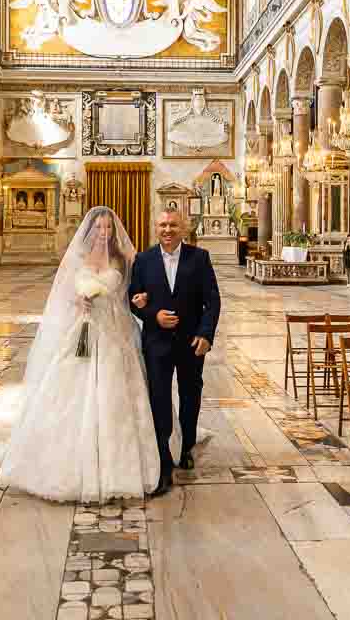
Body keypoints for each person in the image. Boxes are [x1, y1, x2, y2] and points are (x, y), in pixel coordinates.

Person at [0, 207, 170, 503]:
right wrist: (80, 301)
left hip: (114, 331)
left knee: (116, 394)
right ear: (90, 231)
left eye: (108, 228)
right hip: (83, 330)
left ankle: (119, 464)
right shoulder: (78, 258)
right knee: (69, 392)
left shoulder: (123, 259)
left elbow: (133, 294)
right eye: (99, 228)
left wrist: (141, 299)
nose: (104, 233)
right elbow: (65, 295)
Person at [129, 208, 220, 496]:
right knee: (158, 398)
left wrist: (206, 335)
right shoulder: (143, 260)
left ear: (183, 228)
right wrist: (153, 315)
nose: (167, 230)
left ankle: (187, 448)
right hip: (157, 343)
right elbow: (133, 300)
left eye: (173, 225)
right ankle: (163, 459)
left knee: (191, 394)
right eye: (162, 225)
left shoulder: (199, 258)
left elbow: (212, 301)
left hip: (192, 342)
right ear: (156, 228)